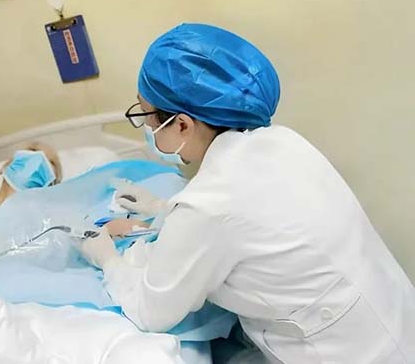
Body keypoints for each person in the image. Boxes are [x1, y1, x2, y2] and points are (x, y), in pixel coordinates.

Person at [81, 23, 415, 363]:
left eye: (147, 117)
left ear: (182, 124)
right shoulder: (283, 141)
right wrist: (163, 209)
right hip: (392, 318)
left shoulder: (208, 206)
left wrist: (107, 259)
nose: (148, 129)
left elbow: (152, 311)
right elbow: (261, 220)